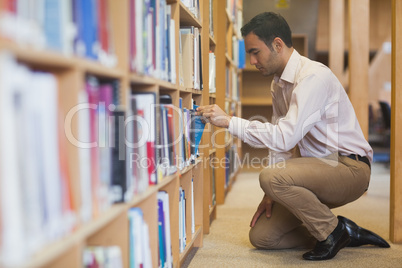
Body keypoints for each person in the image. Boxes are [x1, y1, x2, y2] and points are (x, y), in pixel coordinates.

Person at [196, 12, 390, 260]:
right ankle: (339, 231)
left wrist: (229, 122)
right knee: (263, 237)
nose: (251, 60)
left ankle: (331, 231)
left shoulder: (312, 77)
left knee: (270, 176)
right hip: (316, 168)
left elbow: (285, 137)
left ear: (277, 45)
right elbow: (282, 146)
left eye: (255, 52)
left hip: (348, 167)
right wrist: (272, 193)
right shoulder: (278, 84)